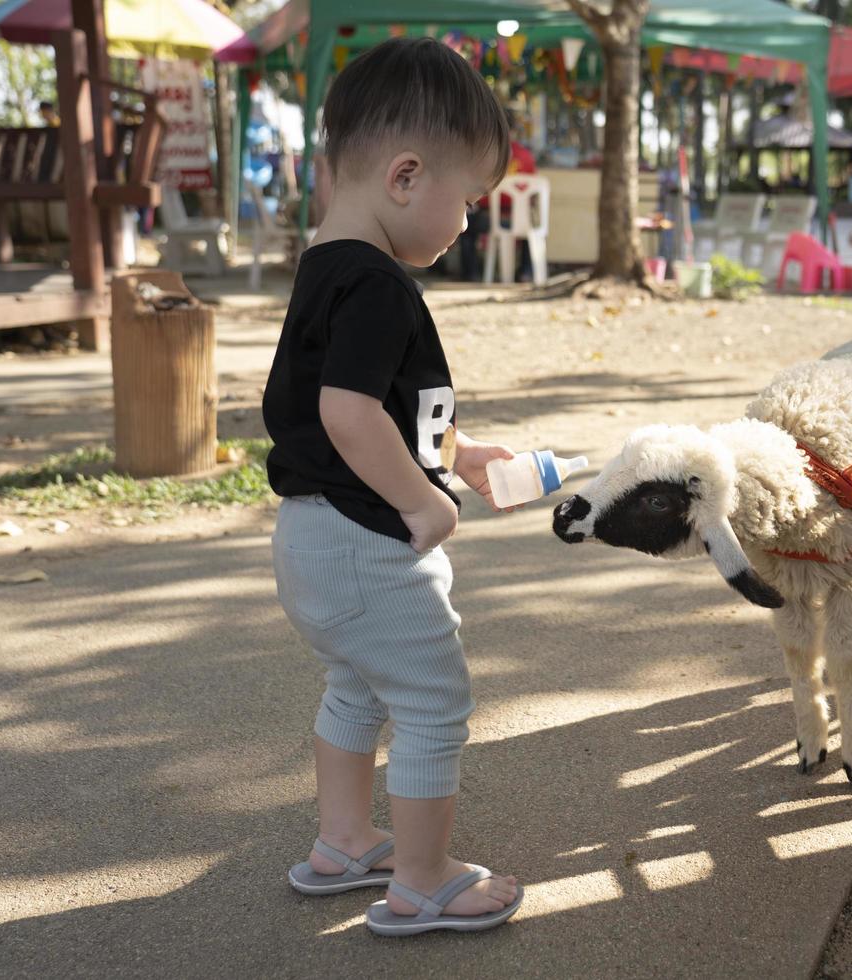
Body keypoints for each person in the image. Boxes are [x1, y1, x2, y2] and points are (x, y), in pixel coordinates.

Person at [261, 37, 522, 936]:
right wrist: (421, 499)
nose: (466, 225)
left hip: (309, 538)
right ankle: (423, 878)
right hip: (365, 541)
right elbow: (348, 413)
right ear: (406, 177)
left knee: (357, 687)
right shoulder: (378, 286)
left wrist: (465, 455)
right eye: (469, 202)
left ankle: (343, 842)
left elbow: (390, 407)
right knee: (433, 700)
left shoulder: (325, 271)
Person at [459, 109, 537, 282]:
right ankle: (526, 272)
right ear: (515, 130)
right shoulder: (527, 156)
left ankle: (470, 274)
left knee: (465, 229)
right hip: (519, 218)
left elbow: (480, 193)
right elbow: (532, 195)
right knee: (529, 229)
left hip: (490, 219)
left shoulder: (487, 153)